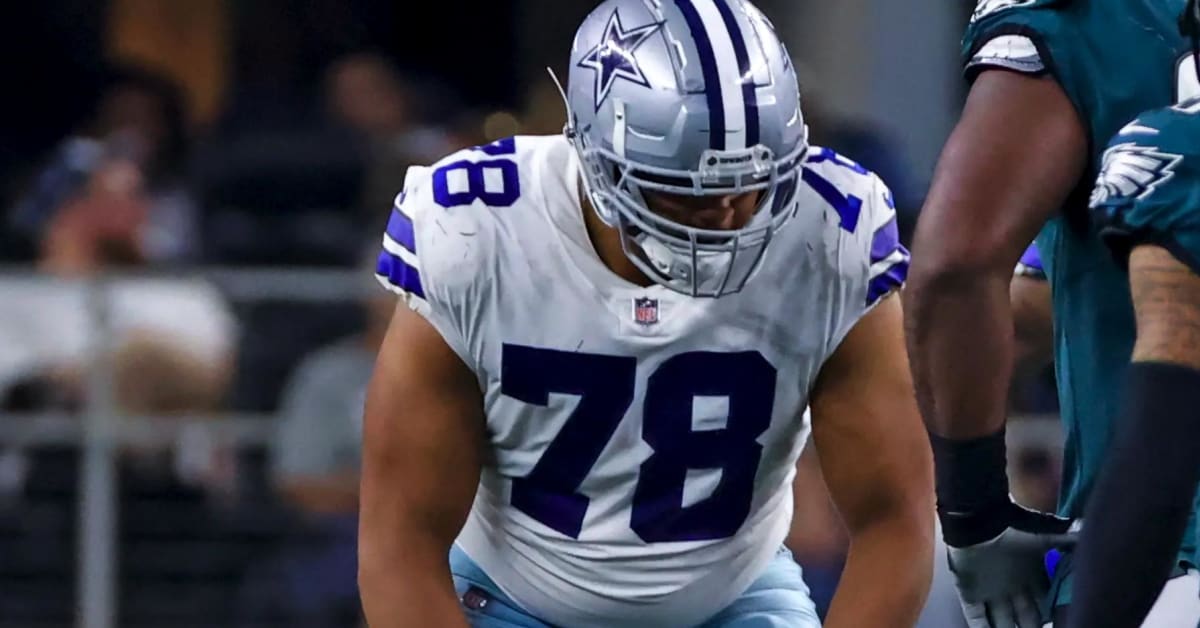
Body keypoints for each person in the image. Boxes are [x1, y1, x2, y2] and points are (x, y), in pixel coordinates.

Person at [358, 1, 934, 626]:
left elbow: (894, 523)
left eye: (754, 183)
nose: (730, 215)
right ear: (597, 159)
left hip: (732, 599)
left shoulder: (829, 234)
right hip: (510, 597)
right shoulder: (477, 232)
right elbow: (400, 543)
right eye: (689, 190)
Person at [904, 0, 1200, 626]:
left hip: (1165, 569)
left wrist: (972, 511)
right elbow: (1041, 302)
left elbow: (956, 268)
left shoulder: (1157, 130)